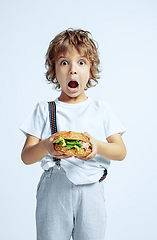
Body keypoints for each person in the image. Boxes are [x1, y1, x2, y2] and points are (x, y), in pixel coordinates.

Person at [20, 28, 126, 240]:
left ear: (91, 70)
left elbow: (120, 151)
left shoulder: (101, 109)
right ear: (53, 71)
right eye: (64, 62)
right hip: (54, 190)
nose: (72, 70)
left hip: (92, 190)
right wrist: (47, 145)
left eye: (81, 62)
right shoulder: (44, 109)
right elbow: (26, 156)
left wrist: (97, 146)